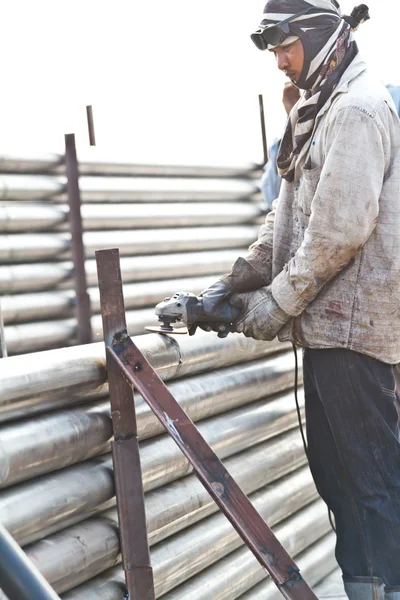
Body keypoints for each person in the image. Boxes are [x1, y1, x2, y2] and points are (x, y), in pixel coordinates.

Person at [200, 1, 400, 598]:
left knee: (374, 484)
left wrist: (271, 306)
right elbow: (285, 219)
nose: (280, 62)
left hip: (354, 330)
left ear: (318, 37)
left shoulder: (359, 112)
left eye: (286, 46)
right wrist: (235, 280)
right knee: (339, 480)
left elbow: (337, 232)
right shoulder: (320, 109)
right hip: (327, 329)